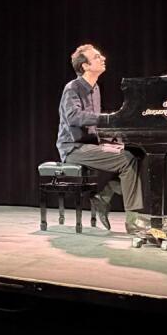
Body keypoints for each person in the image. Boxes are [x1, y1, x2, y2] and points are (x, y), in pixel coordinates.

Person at [57, 44, 147, 232]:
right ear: (85, 66)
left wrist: (115, 136)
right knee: (126, 159)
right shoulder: (72, 88)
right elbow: (73, 117)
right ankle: (132, 220)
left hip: (90, 144)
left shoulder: (95, 88)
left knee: (137, 152)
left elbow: (94, 124)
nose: (103, 58)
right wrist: (107, 118)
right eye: (97, 57)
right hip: (73, 148)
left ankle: (104, 197)